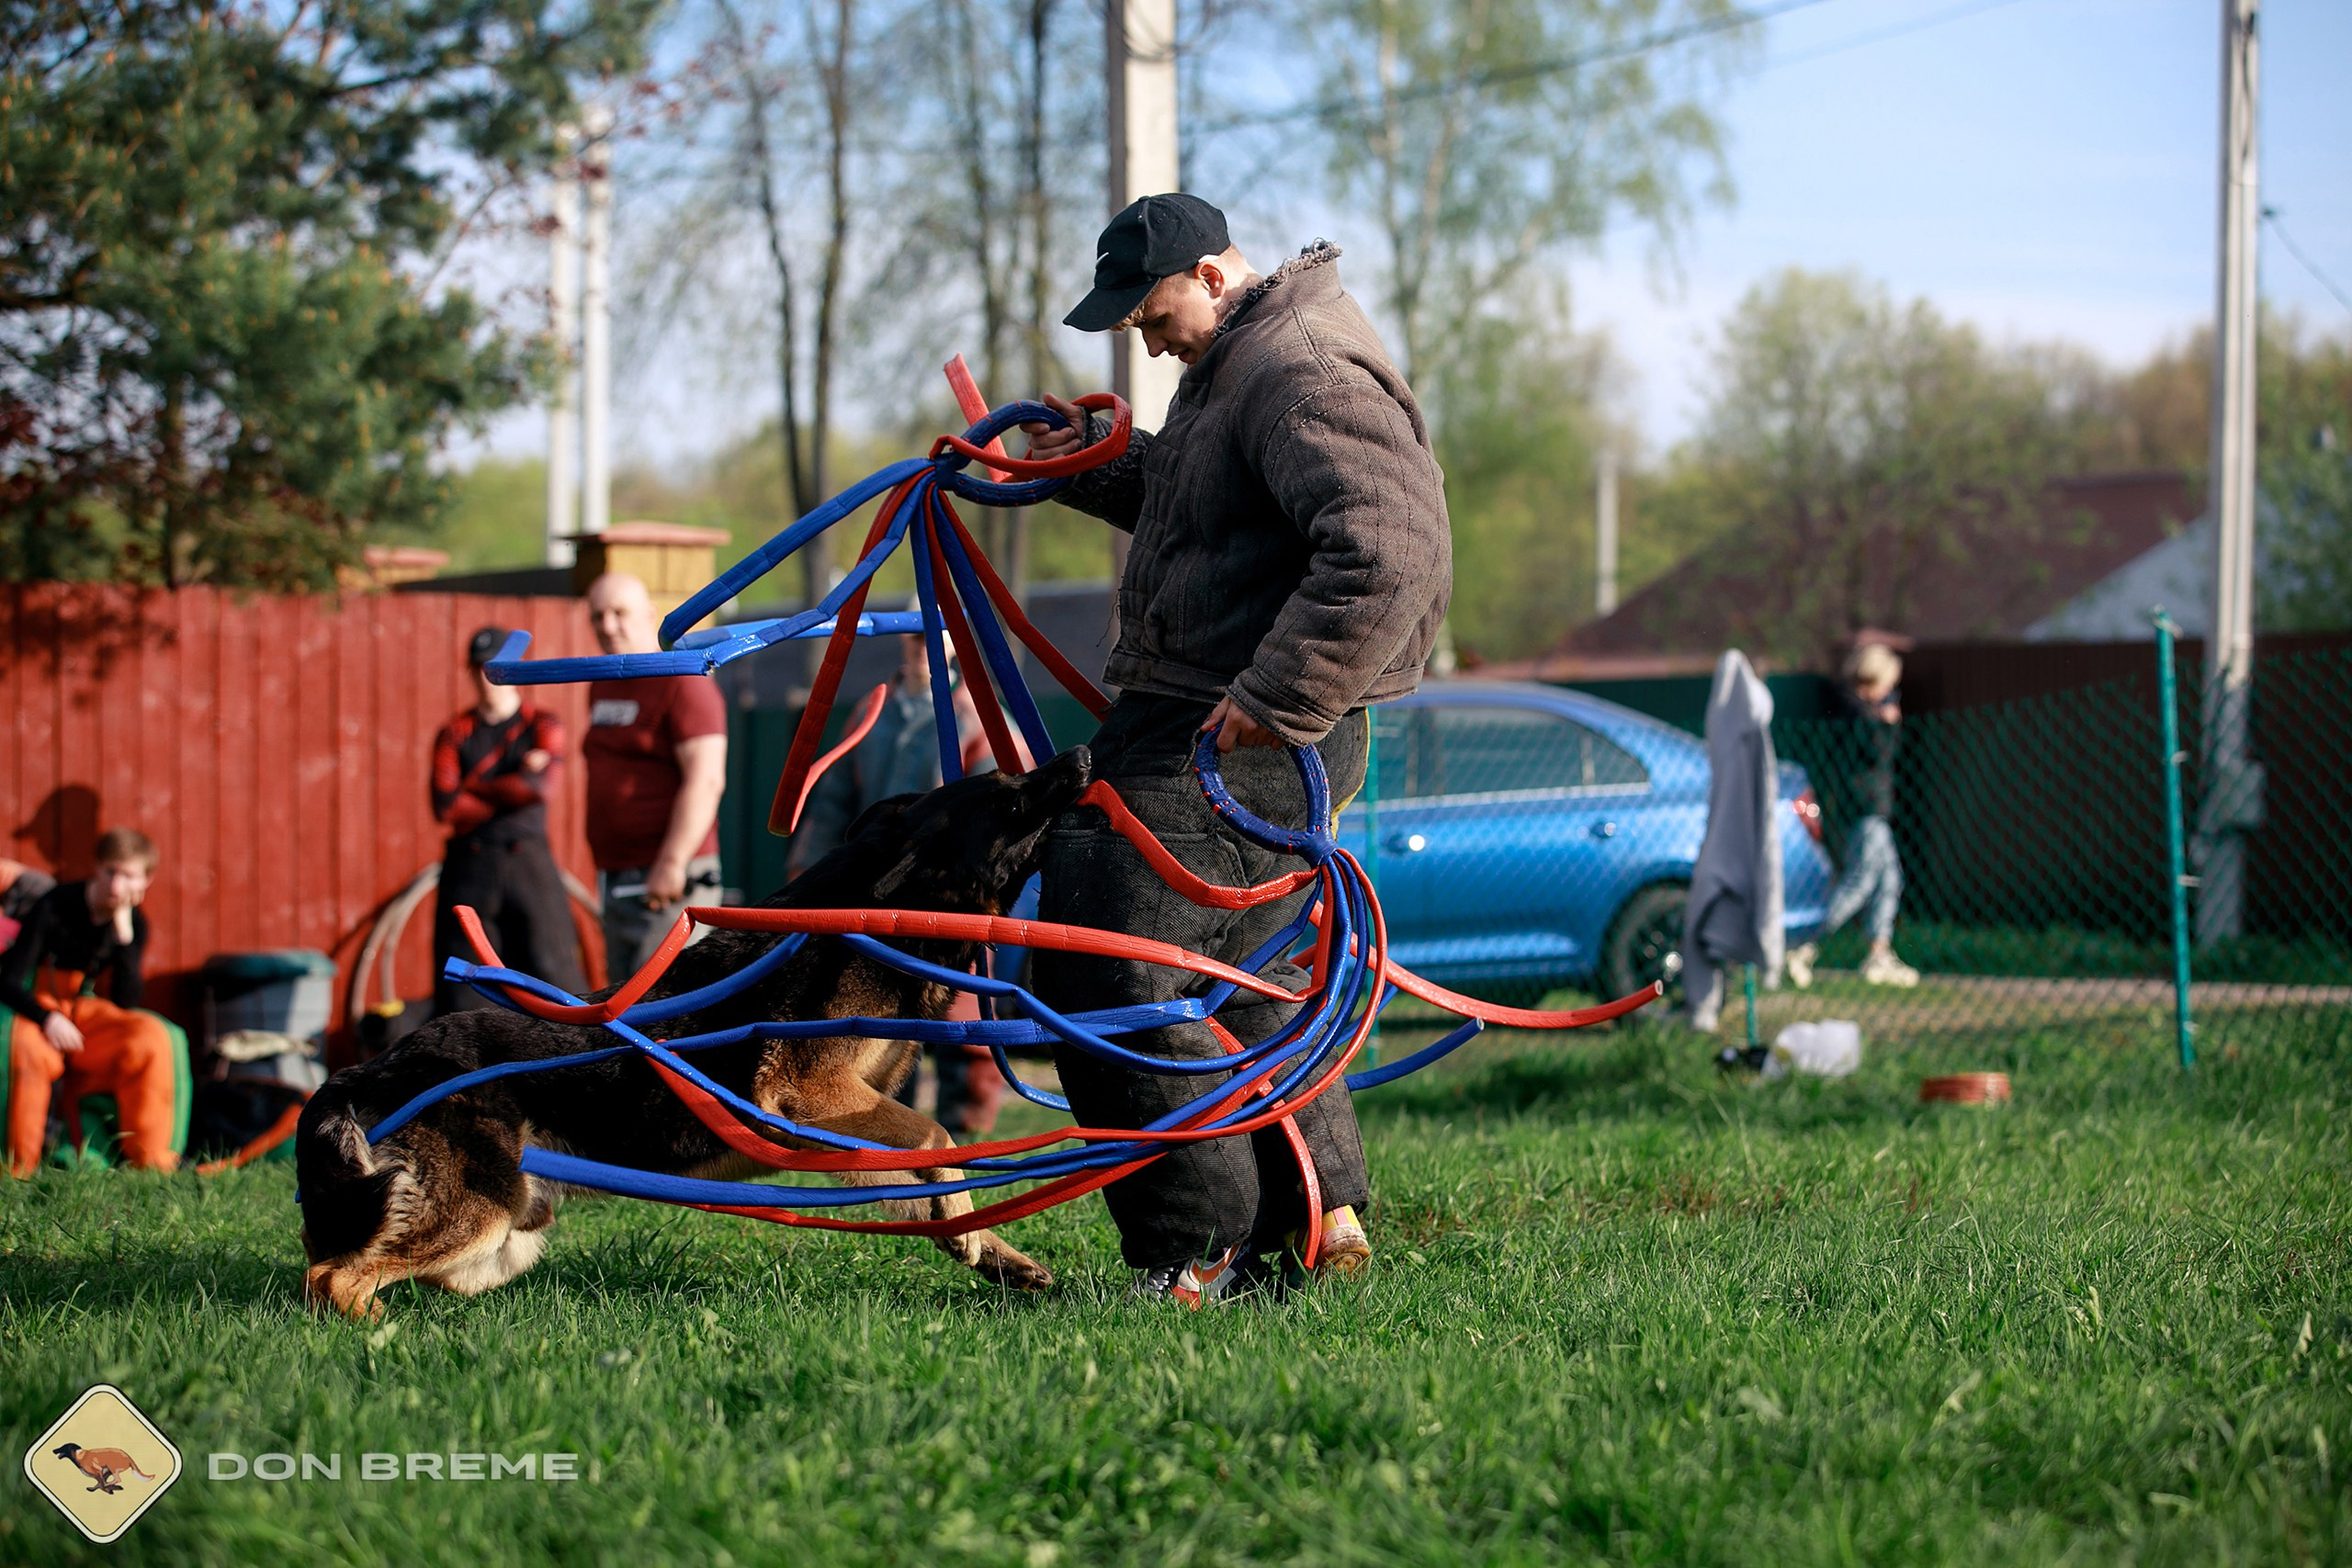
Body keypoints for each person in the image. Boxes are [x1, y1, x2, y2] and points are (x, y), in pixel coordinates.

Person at [1022, 192, 1452, 1303]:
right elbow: (1219, 519)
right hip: (1214, 710)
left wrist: (1282, 692)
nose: (1143, 336)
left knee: (1107, 957)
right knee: (1242, 979)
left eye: (1150, 310)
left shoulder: (1298, 366)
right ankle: (1322, 1219)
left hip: (1235, 724)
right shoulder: (1242, 365)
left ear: (1213, 274)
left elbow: (1386, 547)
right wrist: (1091, 470)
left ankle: (1189, 1249)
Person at [789, 632, 1008, 1136]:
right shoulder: (873, 708)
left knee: (962, 1008)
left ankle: (967, 1128)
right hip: (876, 886)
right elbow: (835, 796)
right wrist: (809, 875)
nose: (922, 647)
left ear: (955, 647)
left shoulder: (973, 712)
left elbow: (999, 797)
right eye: (914, 637)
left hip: (950, 891)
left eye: (934, 638)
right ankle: (883, 1118)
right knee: (882, 1006)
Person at [4, 829, 179, 1175]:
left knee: (149, 1034)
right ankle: (18, 1169)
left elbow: (126, 1002)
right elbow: (8, 980)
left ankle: (151, 1164)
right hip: (36, 1004)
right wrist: (46, 1019)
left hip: (84, 1008)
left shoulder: (134, 924)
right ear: (96, 868)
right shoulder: (55, 904)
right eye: (110, 872)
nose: (116, 886)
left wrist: (124, 936)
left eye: (128, 876)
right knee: (26, 1049)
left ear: (146, 880)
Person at [581, 573, 730, 978]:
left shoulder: (682, 682)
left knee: (663, 1009)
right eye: (598, 616)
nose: (608, 626)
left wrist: (672, 861)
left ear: (649, 616)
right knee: (620, 1009)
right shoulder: (603, 684)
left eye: (619, 613)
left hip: (671, 882)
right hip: (618, 878)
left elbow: (706, 779)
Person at [430, 626, 586, 1014]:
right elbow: (446, 807)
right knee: (464, 990)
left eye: (496, 669)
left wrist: (474, 785)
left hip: (528, 864)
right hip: (470, 867)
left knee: (554, 976)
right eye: (480, 670)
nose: (488, 680)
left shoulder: (543, 724)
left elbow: (537, 789)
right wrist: (511, 782)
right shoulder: (455, 732)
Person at [1787, 642, 1919, 989]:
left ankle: (1879, 953)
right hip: (1866, 810)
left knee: (1889, 878)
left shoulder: (1853, 708)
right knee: (1860, 882)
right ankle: (1802, 941)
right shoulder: (1857, 712)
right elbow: (1878, 754)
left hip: (1871, 809)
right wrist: (1888, 725)